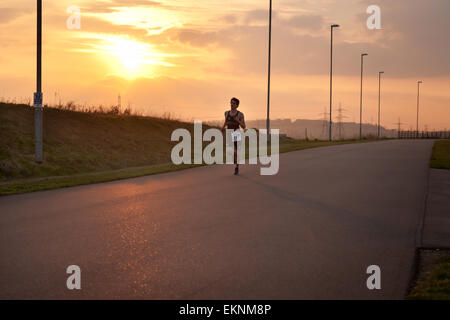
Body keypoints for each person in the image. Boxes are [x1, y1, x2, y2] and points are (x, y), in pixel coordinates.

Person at [222, 97, 246, 175]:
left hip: (236, 132)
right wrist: (223, 128)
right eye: (231, 103)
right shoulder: (226, 113)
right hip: (229, 132)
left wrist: (238, 120)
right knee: (229, 151)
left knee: (237, 150)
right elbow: (226, 121)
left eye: (234, 103)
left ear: (237, 105)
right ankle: (235, 158)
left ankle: (237, 168)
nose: (232, 104)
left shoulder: (240, 114)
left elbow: (244, 126)